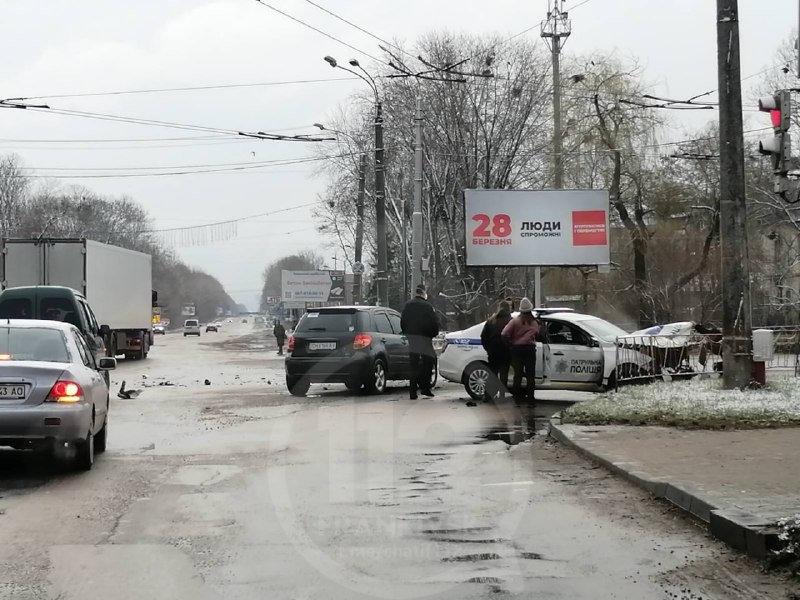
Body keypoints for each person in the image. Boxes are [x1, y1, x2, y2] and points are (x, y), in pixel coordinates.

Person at [401, 284, 440, 399]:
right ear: (424, 293)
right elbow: (434, 323)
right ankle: (425, 387)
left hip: (412, 338)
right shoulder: (428, 306)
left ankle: (412, 392)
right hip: (425, 338)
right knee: (429, 361)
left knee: (413, 364)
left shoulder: (408, 306)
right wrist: (432, 334)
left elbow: (403, 321)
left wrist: (407, 333)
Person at [501, 297, 541, 401]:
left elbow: (504, 333)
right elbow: (538, 335)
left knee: (517, 376)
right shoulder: (534, 322)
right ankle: (531, 399)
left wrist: (509, 344)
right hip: (530, 350)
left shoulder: (515, 322)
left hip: (517, 350)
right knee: (530, 376)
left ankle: (517, 398)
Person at [480, 300, 513, 399]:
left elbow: (483, 337)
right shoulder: (510, 321)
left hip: (493, 351)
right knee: (504, 374)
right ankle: (502, 395)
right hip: (506, 350)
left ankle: (488, 395)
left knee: (492, 373)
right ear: (509, 309)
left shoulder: (491, 321)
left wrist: (488, 349)